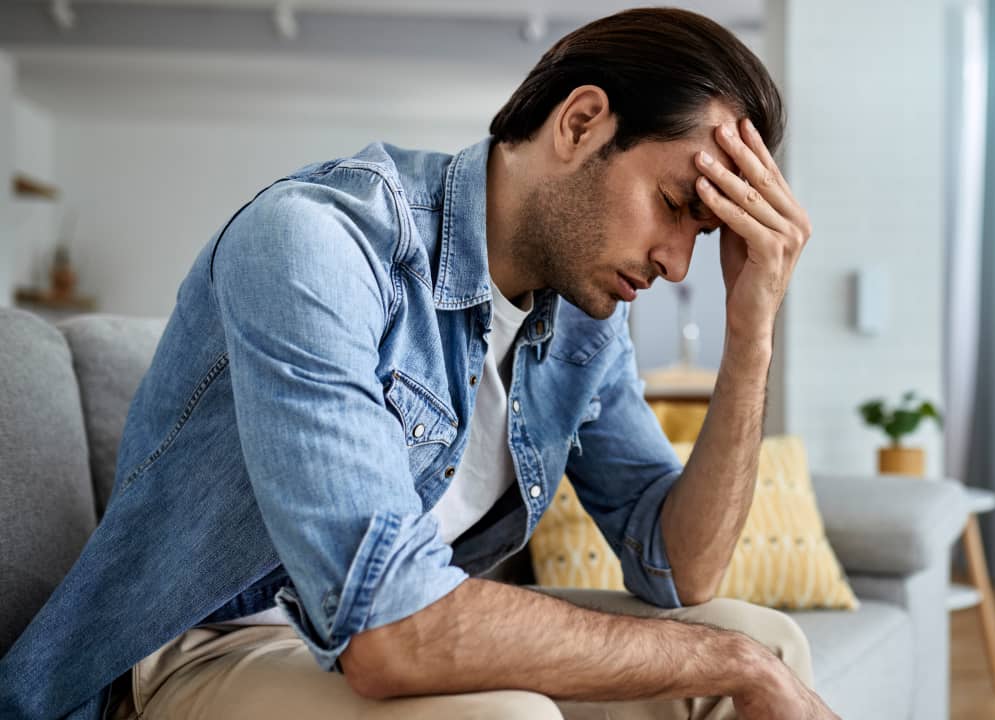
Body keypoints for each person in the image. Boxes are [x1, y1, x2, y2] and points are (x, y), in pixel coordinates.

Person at [0, 7, 829, 719]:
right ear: (581, 124)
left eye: (703, 235)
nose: (678, 264)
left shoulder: (581, 323)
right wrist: (727, 663)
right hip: (193, 652)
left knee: (770, 639)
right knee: (511, 713)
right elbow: (387, 633)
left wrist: (752, 333)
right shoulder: (319, 243)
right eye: (676, 206)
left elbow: (681, 573)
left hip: (375, 643)